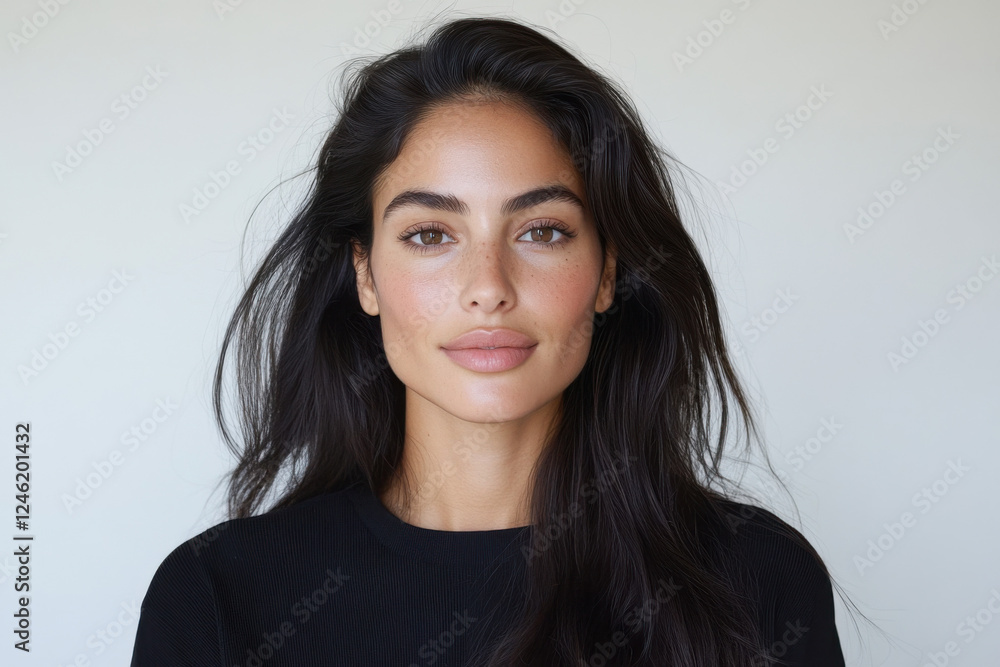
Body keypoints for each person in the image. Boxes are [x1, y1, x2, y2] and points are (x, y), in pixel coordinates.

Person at [130, 14, 854, 666]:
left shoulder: (754, 578)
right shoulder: (218, 596)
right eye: (429, 234)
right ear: (366, 275)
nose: (488, 284)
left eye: (542, 231)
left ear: (606, 273)